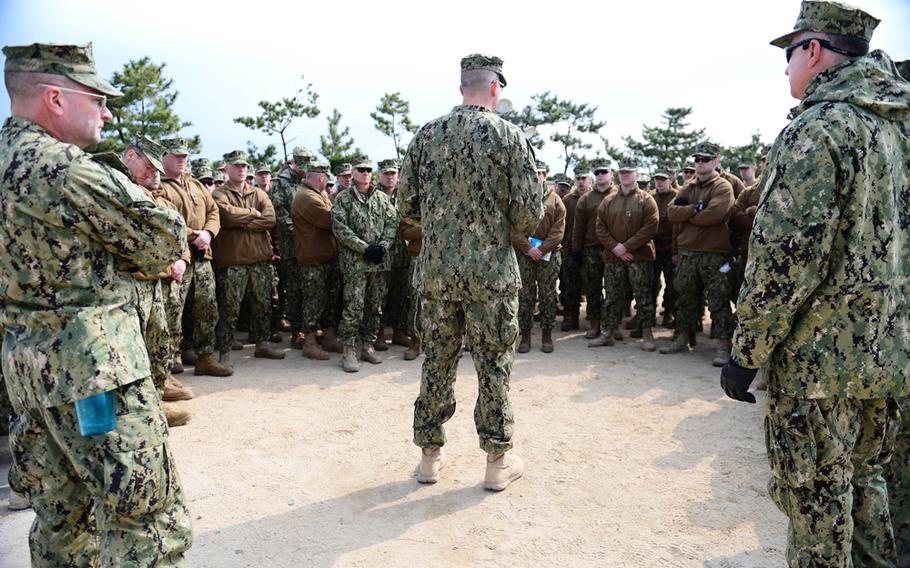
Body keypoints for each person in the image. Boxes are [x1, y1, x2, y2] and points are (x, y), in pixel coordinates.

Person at [720, 2, 910, 565]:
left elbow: (785, 259)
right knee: (868, 482)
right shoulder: (896, 127)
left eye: (789, 53)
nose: (785, 70)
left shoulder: (820, 129)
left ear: (814, 50)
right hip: (888, 353)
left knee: (815, 498)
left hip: (819, 362)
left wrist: (746, 351)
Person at [0, 42, 193, 564]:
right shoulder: (65, 168)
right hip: (95, 377)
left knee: (63, 523)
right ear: (56, 99)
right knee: (146, 523)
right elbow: (163, 239)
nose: (107, 112)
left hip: (27, 377)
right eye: (99, 99)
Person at [398, 53, 543, 491]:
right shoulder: (509, 136)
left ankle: (429, 458)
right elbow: (530, 216)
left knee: (437, 360)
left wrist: (443, 227)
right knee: (493, 363)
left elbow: (405, 206)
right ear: (496, 87)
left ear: (463, 87)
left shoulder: (427, 135)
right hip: (492, 276)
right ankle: (497, 462)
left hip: (438, 274)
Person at [119, 137, 195, 427]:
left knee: (159, 340)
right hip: (135, 282)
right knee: (135, 346)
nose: (154, 173)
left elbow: (175, 235)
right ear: (130, 157)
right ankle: (142, 406)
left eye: (156, 168)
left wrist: (181, 259)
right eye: (148, 166)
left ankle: (154, 397)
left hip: (156, 280)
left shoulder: (155, 197)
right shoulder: (121, 191)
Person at [160, 137, 233, 377]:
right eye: (176, 156)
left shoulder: (196, 185)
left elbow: (213, 211)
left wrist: (209, 233)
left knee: (207, 307)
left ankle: (205, 357)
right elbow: (166, 218)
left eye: (184, 156)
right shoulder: (160, 185)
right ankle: (170, 357)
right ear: (164, 157)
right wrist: (194, 236)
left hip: (203, 257)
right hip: (177, 258)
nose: (182, 160)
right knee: (174, 309)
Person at [661, 141, 734, 366]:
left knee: (719, 301)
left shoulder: (722, 186)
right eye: (697, 160)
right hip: (688, 254)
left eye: (705, 159)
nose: (700, 163)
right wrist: (695, 209)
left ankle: (723, 345)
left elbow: (715, 215)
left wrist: (688, 215)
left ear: (716, 161)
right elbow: (671, 213)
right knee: (685, 298)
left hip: (714, 253)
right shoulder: (688, 188)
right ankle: (682, 337)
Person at [211, 150, 284, 365]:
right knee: (229, 307)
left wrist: (241, 223)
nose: (241, 169)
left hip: (260, 259)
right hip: (234, 261)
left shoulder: (259, 194)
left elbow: (270, 219)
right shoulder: (219, 194)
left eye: (244, 166)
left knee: (263, 304)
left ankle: (262, 344)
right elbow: (226, 215)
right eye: (236, 166)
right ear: (227, 169)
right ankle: (224, 352)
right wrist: (254, 214)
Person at [331, 155, 398, 372]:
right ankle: (349, 349)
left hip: (379, 262)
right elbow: (340, 228)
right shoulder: (343, 199)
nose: (366, 173)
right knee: (354, 306)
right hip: (355, 263)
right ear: (353, 173)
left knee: (375, 306)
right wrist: (364, 248)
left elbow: (392, 222)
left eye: (369, 170)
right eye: (361, 170)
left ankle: (367, 345)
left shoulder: (381, 198)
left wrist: (382, 247)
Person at [588, 160, 659, 351]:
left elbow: (651, 226)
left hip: (640, 257)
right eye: (622, 172)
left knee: (643, 296)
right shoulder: (609, 200)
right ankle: (607, 333)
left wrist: (627, 247)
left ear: (637, 174)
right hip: (613, 257)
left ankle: (647, 333)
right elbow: (600, 227)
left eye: (629, 172)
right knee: (612, 296)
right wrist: (615, 248)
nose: (625, 175)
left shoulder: (646, 199)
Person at [512, 160, 566, 353]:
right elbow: (512, 228)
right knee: (525, 295)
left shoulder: (555, 200)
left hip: (549, 255)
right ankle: (525, 336)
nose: (537, 176)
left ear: (545, 176)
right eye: (533, 173)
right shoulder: (519, 198)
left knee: (548, 295)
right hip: (525, 255)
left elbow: (558, 231)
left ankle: (546, 335)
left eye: (541, 173)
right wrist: (528, 248)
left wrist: (542, 249)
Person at [290, 160, 342, 360]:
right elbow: (331, 220)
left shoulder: (318, 194)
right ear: (321, 178)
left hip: (325, 256)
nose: (327, 182)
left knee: (329, 300)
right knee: (314, 301)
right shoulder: (306, 197)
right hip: (313, 259)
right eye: (326, 178)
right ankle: (309, 342)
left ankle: (328, 337)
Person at [272, 147, 314, 346]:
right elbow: (280, 215)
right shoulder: (280, 184)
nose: (305, 167)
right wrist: (302, 233)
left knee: (311, 288)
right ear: (293, 163)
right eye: (302, 163)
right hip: (291, 247)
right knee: (295, 289)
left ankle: (311, 327)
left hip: (311, 246)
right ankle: (298, 330)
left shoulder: (309, 182)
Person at [571, 162, 614, 339]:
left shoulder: (618, 196)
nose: (600, 175)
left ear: (611, 174)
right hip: (591, 250)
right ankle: (595, 324)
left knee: (613, 290)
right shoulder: (586, 199)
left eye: (604, 172)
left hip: (612, 250)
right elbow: (578, 228)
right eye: (597, 172)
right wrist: (576, 250)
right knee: (593, 289)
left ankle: (612, 325)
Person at [376, 158, 412, 350]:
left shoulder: (406, 194)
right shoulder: (373, 195)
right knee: (380, 295)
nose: (390, 177)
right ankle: (379, 332)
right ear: (379, 175)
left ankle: (399, 331)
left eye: (393, 173)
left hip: (403, 253)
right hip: (383, 254)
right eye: (386, 173)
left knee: (401, 295)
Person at [559, 168, 590, 331]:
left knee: (592, 284)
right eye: (578, 178)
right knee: (570, 284)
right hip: (570, 248)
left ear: (589, 179)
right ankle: (570, 316)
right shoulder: (568, 200)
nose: (581, 181)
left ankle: (593, 317)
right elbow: (561, 226)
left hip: (590, 248)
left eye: (584, 178)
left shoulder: (595, 198)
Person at [650, 165, 678, 329]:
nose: (659, 182)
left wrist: (676, 251)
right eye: (657, 179)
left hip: (669, 249)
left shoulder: (678, 197)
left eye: (663, 179)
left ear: (671, 180)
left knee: (672, 285)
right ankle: (647, 316)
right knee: (650, 284)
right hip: (653, 249)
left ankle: (668, 314)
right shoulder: (649, 197)